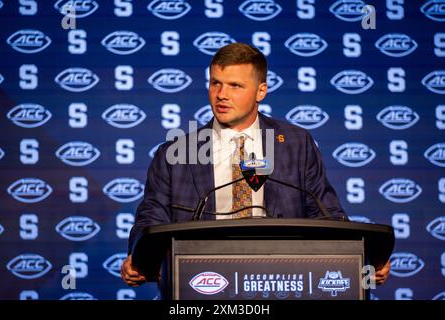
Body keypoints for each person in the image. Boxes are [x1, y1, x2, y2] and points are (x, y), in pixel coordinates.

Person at [121, 43, 391, 288]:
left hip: (282, 279)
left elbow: (326, 213)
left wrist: (363, 259)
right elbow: (151, 217)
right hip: (203, 282)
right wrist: (139, 256)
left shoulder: (296, 144)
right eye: (216, 83)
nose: (221, 95)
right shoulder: (175, 153)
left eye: (235, 86)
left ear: (261, 90)